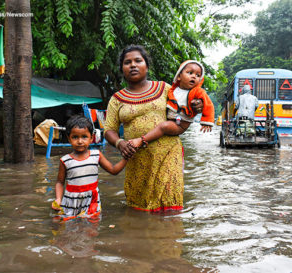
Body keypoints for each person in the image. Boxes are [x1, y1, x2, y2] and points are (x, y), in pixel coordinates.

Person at [104, 45, 203, 212]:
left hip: (168, 155)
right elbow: (109, 130)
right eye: (127, 62)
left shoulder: (165, 89)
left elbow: (183, 117)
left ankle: (168, 237)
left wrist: (196, 105)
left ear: (147, 66)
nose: (133, 65)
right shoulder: (117, 99)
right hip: (136, 158)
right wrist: (120, 143)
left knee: (170, 207)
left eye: (138, 61)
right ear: (122, 69)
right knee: (138, 209)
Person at [51, 115, 127, 219]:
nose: (80, 141)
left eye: (84, 137)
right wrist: (58, 199)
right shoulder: (65, 160)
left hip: (92, 201)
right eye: (75, 137)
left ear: (91, 138)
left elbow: (114, 170)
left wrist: (126, 158)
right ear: (69, 138)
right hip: (71, 202)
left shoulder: (96, 155)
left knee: (91, 228)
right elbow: (60, 182)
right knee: (67, 227)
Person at [128, 60, 214, 148]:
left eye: (198, 75)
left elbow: (208, 104)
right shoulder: (172, 90)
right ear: (179, 76)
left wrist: (207, 121)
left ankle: (142, 140)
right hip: (172, 119)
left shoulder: (197, 92)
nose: (194, 76)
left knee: (163, 127)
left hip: (181, 124)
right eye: (190, 73)